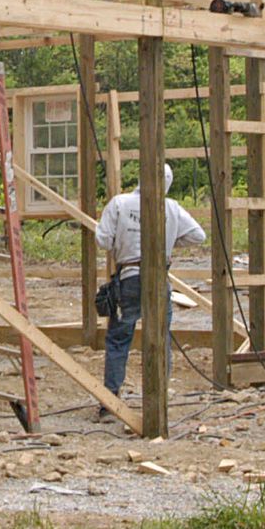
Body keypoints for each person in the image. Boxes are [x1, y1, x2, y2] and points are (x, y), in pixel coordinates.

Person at [93, 162, 206, 418]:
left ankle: (109, 403)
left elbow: (102, 240)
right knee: (159, 339)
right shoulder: (171, 208)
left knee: (119, 339)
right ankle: (159, 399)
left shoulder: (120, 203)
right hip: (158, 280)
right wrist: (170, 240)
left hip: (130, 277)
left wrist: (121, 242)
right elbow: (198, 236)